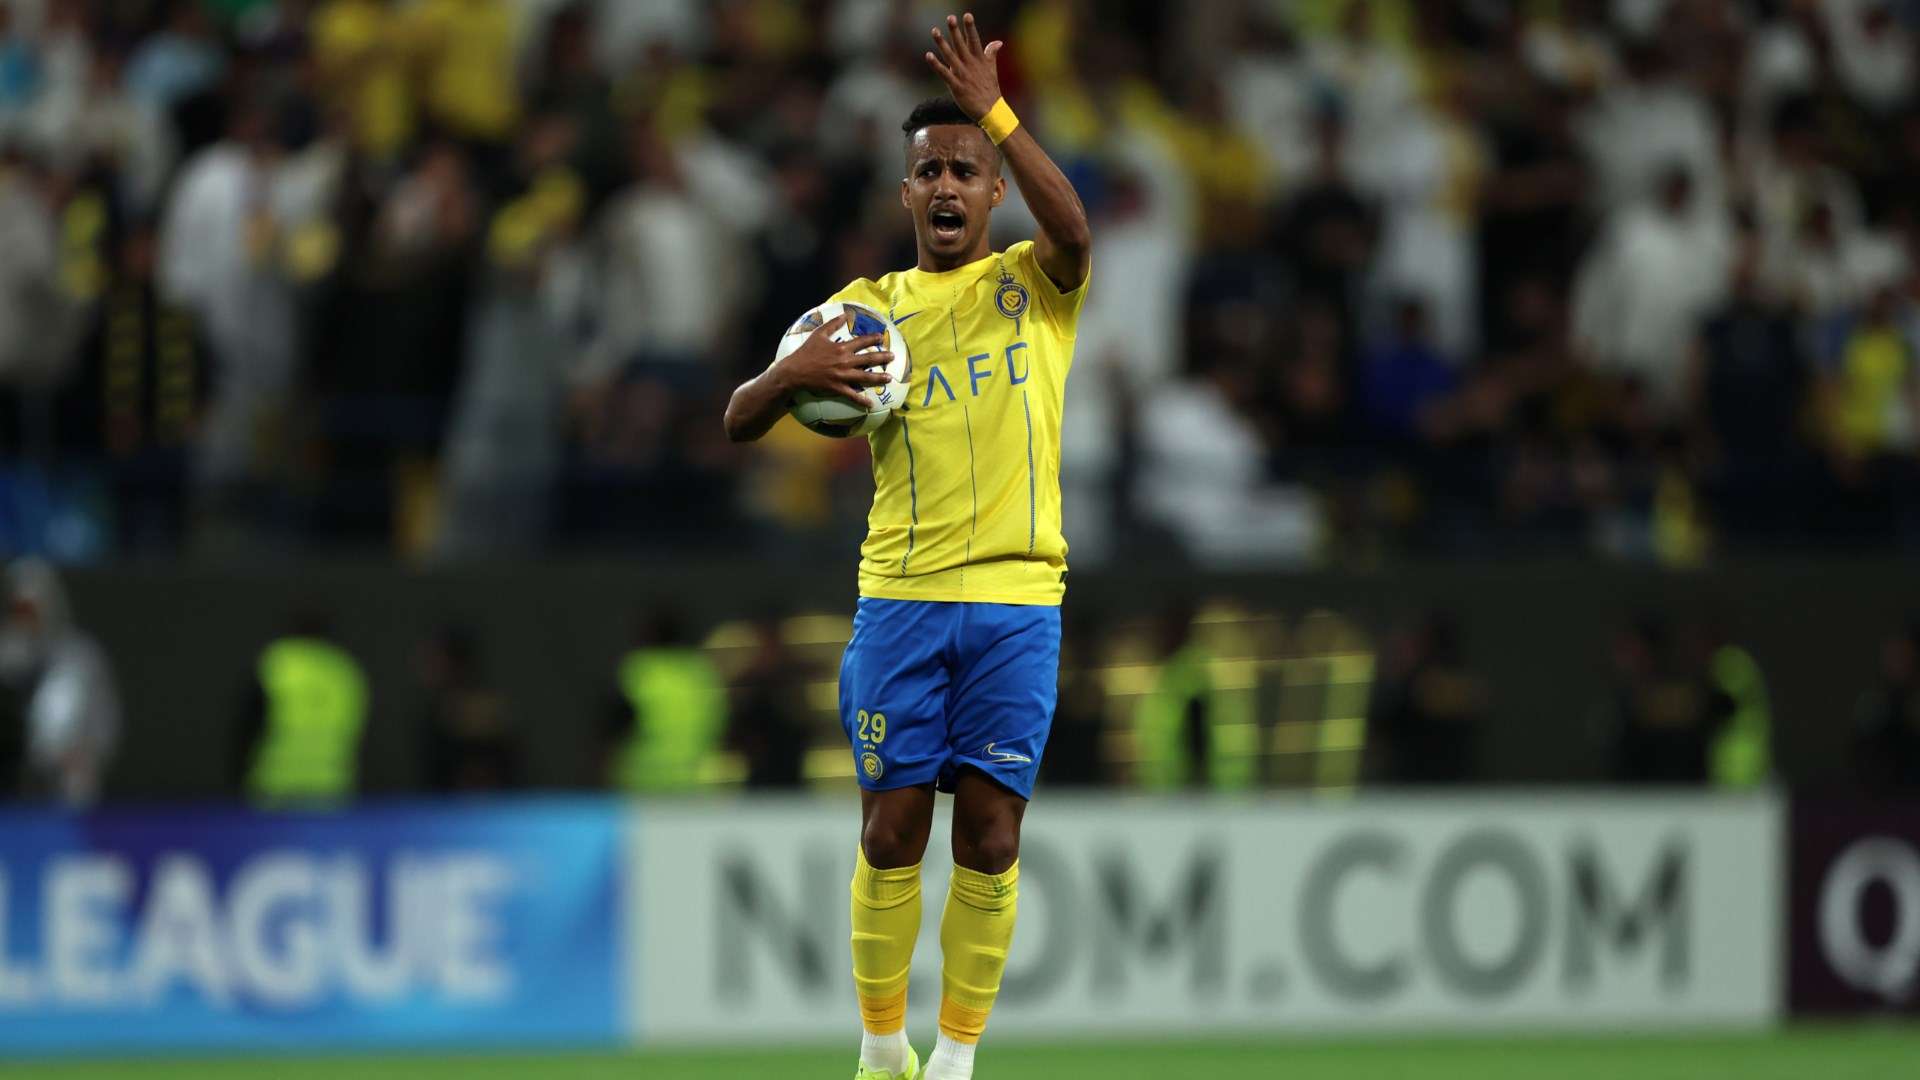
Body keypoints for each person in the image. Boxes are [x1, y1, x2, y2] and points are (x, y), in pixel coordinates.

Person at [721, 13, 1091, 1080]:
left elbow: (1078, 231)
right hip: (904, 596)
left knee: (992, 839)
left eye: (964, 170)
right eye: (927, 169)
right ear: (905, 195)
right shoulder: (860, 318)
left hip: (1021, 599)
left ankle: (957, 1059)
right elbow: (741, 418)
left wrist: (998, 111)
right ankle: (882, 1043)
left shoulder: (1036, 285)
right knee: (892, 832)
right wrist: (790, 377)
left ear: (991, 192)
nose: (943, 185)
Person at [0, 559, 119, 805]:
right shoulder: (8, 653)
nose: (27, 620)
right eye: (20, 610)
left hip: (69, 774)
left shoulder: (79, 657)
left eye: (32, 610)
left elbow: (104, 721)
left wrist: (85, 753)